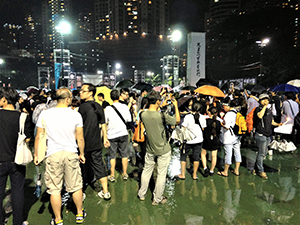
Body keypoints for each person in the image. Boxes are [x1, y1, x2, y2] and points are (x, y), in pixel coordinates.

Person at [34, 88, 86, 225]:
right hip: (71, 153)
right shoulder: (75, 115)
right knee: (75, 186)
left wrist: (36, 155)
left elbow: (38, 136)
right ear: (68, 99)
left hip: (53, 154)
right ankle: (79, 214)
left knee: (55, 189)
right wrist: (81, 153)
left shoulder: (45, 114)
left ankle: (58, 219)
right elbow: (80, 138)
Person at [137, 90, 180, 205]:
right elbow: (177, 121)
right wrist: (175, 106)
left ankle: (142, 194)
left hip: (150, 148)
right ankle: (157, 199)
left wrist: (160, 105)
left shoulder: (143, 114)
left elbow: (151, 113)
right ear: (157, 101)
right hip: (163, 149)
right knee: (161, 174)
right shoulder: (162, 115)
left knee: (146, 171)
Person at [0, 87, 33, 225]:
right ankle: (18, 222)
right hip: (17, 160)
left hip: (0, 161)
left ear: (4, 99)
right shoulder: (22, 117)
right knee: (17, 192)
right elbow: (27, 139)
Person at [79, 83, 111, 200]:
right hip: (96, 142)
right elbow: (103, 123)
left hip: (83, 142)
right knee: (99, 166)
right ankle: (105, 191)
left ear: (91, 93)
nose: (80, 93)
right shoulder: (99, 106)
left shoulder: (82, 108)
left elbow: (78, 126)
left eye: (83, 91)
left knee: (81, 166)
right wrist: (105, 138)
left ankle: (81, 192)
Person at [251, 93, 282, 179]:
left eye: (267, 99)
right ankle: (261, 171)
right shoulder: (258, 109)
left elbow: (271, 121)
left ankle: (255, 168)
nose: (266, 101)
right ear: (260, 101)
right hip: (261, 134)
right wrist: (264, 106)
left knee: (263, 153)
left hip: (268, 134)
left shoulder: (269, 110)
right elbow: (260, 116)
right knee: (261, 154)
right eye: (263, 99)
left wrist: (278, 124)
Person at [105, 89, 132, 181]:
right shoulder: (125, 107)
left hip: (112, 135)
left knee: (112, 155)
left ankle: (112, 175)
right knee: (124, 154)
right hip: (123, 133)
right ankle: (124, 173)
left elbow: (105, 122)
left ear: (111, 97)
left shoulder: (108, 108)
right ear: (119, 96)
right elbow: (129, 120)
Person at [176, 102, 206, 180]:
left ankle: (182, 174)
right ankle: (194, 174)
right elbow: (203, 128)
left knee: (183, 156)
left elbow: (183, 127)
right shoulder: (202, 117)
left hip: (188, 140)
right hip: (199, 139)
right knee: (196, 157)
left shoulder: (187, 117)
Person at [218, 97, 242, 177]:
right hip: (237, 136)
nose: (223, 108)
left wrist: (222, 123)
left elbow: (227, 126)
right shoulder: (237, 112)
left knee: (228, 154)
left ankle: (225, 171)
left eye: (224, 106)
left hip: (229, 137)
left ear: (228, 106)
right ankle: (237, 170)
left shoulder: (228, 115)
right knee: (237, 153)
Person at [202, 106, 222, 177]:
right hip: (215, 140)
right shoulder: (218, 122)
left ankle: (205, 168)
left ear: (209, 113)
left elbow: (203, 129)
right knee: (214, 156)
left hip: (206, 140)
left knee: (203, 154)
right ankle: (211, 170)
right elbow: (219, 131)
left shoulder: (206, 121)